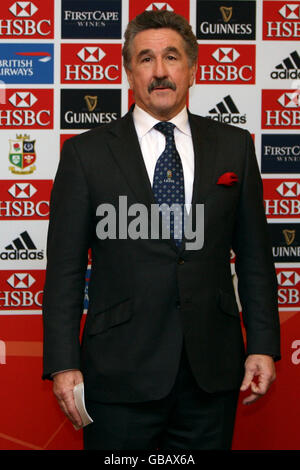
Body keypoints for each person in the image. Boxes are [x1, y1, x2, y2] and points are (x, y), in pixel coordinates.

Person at [42, 11, 280, 450]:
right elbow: (64, 272)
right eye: (146, 59)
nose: (160, 71)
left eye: (171, 57)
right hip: (117, 376)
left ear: (192, 67)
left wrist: (262, 345)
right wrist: (61, 363)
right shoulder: (84, 154)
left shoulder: (235, 147)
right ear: (129, 71)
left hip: (210, 374)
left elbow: (255, 260)